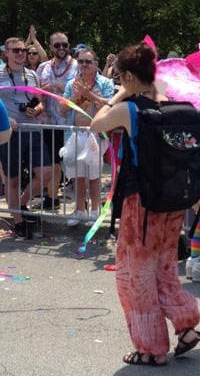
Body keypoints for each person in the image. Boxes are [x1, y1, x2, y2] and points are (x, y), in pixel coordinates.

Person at [90, 42, 200, 366]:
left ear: (127, 76)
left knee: (135, 275)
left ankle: (150, 348)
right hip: (172, 201)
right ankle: (186, 325)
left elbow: (97, 123)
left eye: (120, 77)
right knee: (164, 269)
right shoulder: (170, 102)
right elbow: (157, 88)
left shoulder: (130, 109)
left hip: (141, 204)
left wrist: (117, 96)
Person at [0, 37, 52, 235]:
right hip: (10, 133)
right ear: (6, 53)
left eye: (23, 50)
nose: (21, 53)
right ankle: (19, 222)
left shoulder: (31, 74)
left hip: (32, 129)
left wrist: (37, 109)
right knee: (12, 180)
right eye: (16, 50)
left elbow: (40, 101)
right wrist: (5, 118)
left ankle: (21, 204)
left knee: (46, 173)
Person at [61, 48, 114, 226]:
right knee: (78, 176)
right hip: (75, 135)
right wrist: (75, 97)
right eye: (81, 61)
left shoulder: (105, 83)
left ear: (96, 64)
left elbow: (110, 106)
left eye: (88, 61)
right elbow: (62, 110)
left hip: (96, 135)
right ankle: (79, 211)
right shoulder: (71, 84)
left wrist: (89, 95)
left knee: (93, 175)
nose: (83, 65)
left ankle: (95, 211)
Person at [37, 31, 79, 208]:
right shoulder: (43, 67)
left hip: (71, 124)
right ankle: (52, 199)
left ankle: (81, 205)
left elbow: (80, 91)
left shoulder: (78, 65)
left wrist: (59, 87)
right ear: (50, 47)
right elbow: (37, 93)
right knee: (52, 163)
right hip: (49, 123)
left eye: (65, 45)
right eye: (57, 45)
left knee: (76, 165)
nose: (61, 48)